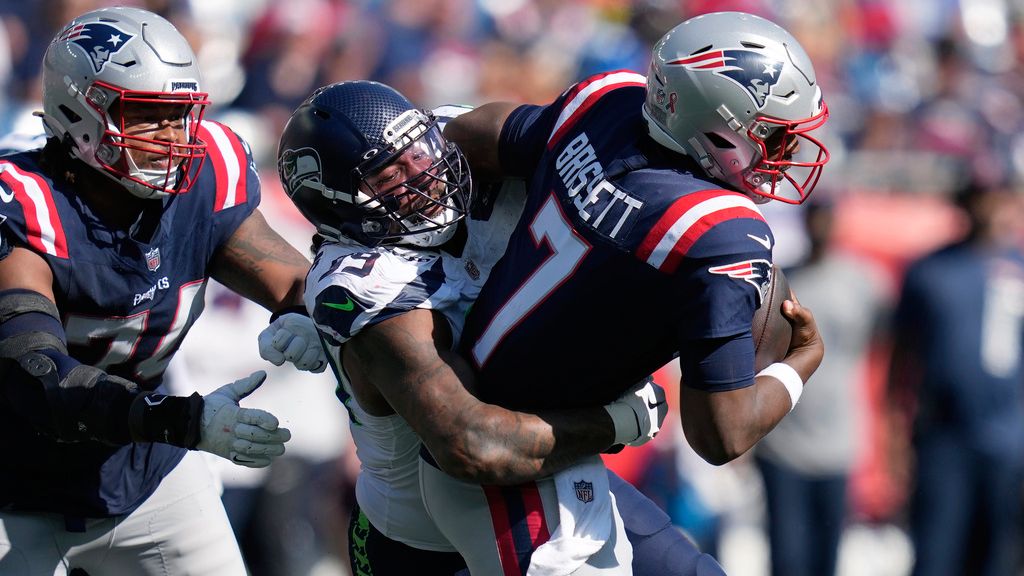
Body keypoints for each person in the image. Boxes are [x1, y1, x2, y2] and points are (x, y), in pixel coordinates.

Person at [419, 10, 826, 574]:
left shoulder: (608, 100)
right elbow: (721, 435)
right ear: (716, 126)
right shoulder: (721, 231)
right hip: (518, 476)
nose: (785, 155)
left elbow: (469, 135)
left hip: (534, 448)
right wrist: (802, 362)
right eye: (774, 137)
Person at [269, 80, 675, 576]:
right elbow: (473, 445)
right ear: (334, 204)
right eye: (387, 174)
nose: (422, 175)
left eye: (417, 153)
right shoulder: (362, 283)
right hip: (425, 542)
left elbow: (589, 133)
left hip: (555, 472)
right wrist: (616, 422)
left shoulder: (461, 137)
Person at [0, 7, 320, 575]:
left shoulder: (205, 177)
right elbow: (38, 375)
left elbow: (295, 279)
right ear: (78, 114)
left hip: (145, 471)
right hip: (14, 488)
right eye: (149, 118)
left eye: (182, 117)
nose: (172, 140)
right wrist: (186, 422)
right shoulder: (24, 205)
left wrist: (311, 311)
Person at [887, 177, 1024, 576]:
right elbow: (901, 357)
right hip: (943, 435)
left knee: (994, 556)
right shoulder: (930, 270)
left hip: (1006, 439)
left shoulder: (1017, 269)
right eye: (982, 198)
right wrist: (894, 434)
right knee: (936, 552)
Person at [754, 196, 888, 576]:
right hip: (783, 440)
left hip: (838, 441)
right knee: (787, 555)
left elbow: (885, 343)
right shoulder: (781, 284)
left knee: (827, 556)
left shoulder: (865, 283)